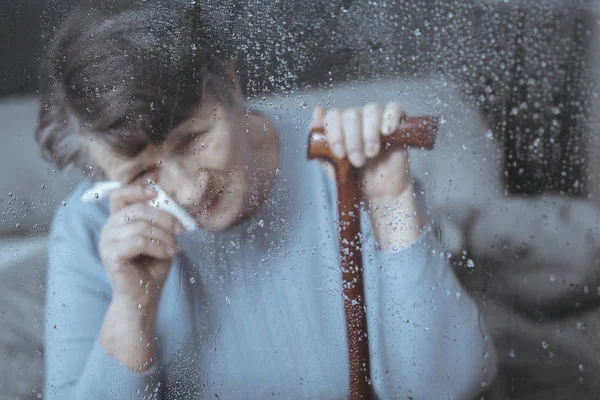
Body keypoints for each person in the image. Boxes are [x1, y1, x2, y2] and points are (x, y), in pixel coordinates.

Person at [37, 1, 497, 399]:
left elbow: (449, 386)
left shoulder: (342, 170)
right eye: (142, 173)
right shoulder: (89, 225)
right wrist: (131, 312)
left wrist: (391, 202)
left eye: (194, 138)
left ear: (231, 86)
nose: (189, 189)